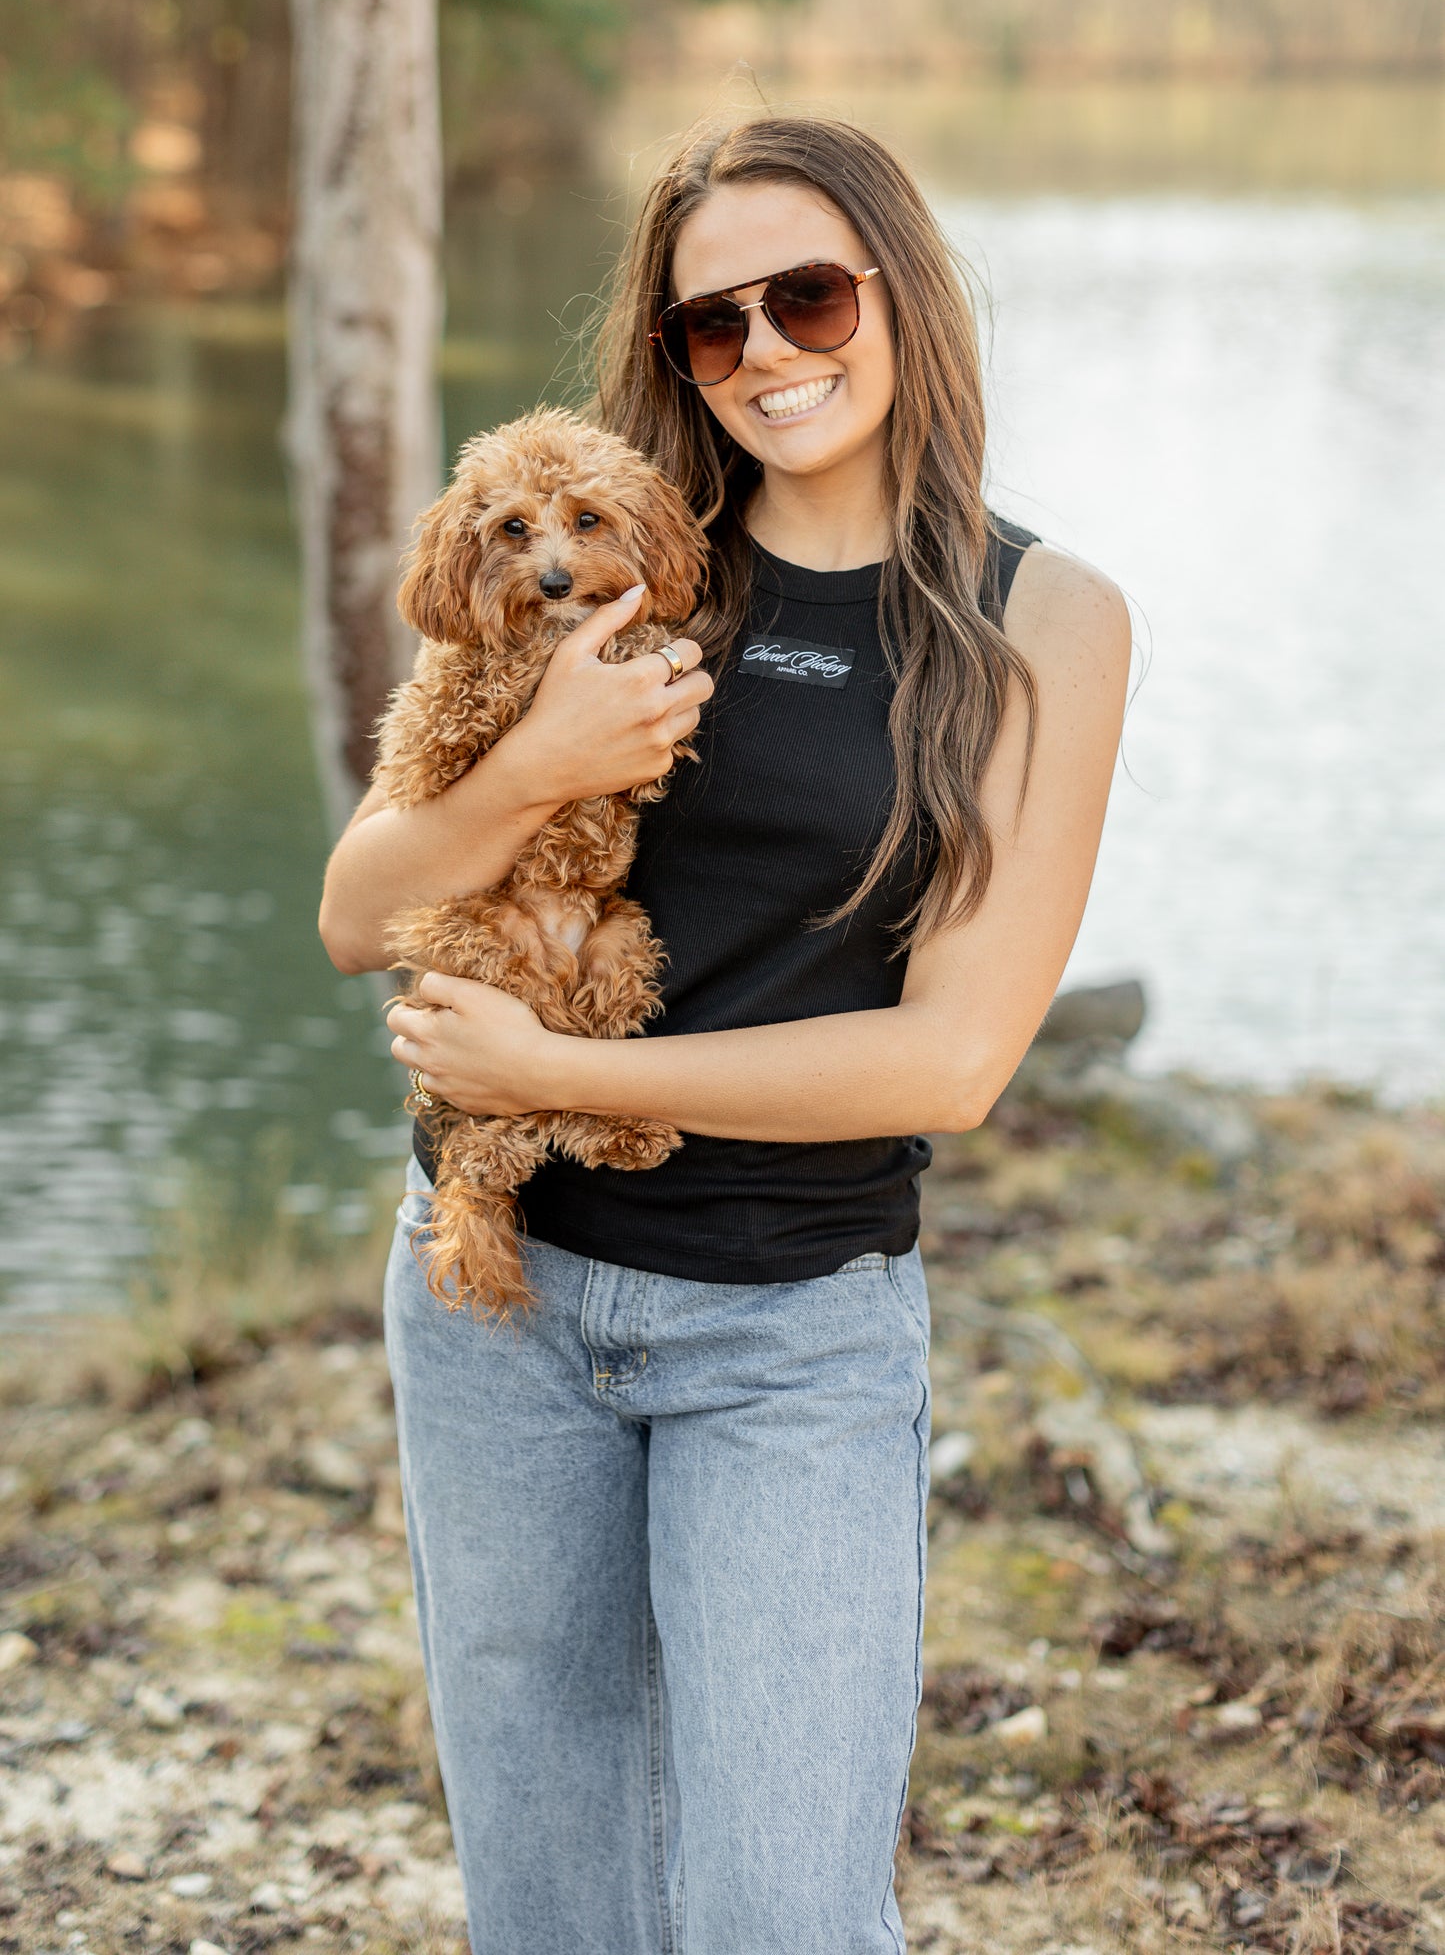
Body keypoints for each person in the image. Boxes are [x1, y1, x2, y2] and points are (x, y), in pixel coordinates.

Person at [318, 115, 1131, 1955]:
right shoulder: (611, 560)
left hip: (789, 1332)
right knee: (552, 1904)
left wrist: (567, 1078)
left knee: (781, 1909)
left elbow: (953, 1064)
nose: (768, 351)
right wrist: (527, 768)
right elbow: (358, 916)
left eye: (809, 296)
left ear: (903, 296)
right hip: (496, 1309)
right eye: (714, 325)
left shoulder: (1038, 622)